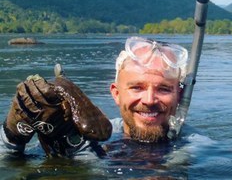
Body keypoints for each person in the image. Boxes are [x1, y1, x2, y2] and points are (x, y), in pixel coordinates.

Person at [0, 36, 189, 157]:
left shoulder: (193, 148)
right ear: (116, 94)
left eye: (163, 89)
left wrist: (74, 145)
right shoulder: (101, 134)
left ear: (178, 95)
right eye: (137, 88)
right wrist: (13, 135)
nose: (149, 100)